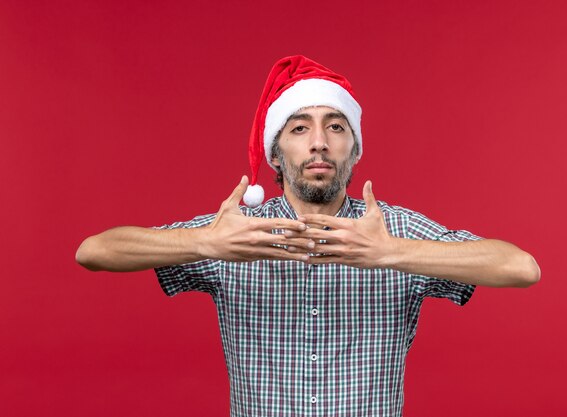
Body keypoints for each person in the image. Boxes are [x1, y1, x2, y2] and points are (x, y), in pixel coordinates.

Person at [76, 55, 540, 417]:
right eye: (300, 128)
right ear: (276, 155)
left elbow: (520, 267)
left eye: (335, 127)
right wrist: (204, 244)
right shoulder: (234, 232)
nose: (319, 140)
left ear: (354, 151)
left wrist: (391, 252)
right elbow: (94, 251)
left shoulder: (391, 230)